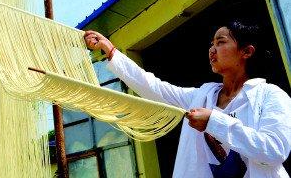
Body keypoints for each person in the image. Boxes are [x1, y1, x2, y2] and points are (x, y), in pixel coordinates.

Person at [84, 20, 291, 177]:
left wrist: (214, 121)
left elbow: (274, 150)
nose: (212, 49)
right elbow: (155, 88)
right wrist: (111, 52)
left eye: (221, 42)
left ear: (246, 51)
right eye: (211, 43)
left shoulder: (270, 95)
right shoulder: (202, 96)